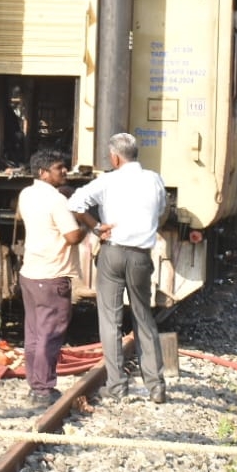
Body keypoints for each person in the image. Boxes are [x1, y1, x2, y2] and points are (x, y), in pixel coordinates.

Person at [68, 132, 169, 404]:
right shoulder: (154, 179)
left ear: (115, 157)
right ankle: (156, 385)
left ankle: (117, 386)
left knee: (110, 321)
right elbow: (161, 211)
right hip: (140, 256)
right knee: (143, 317)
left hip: (112, 253)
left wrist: (96, 226)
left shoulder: (108, 180)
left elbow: (75, 203)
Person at [17, 148, 84, 405]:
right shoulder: (56, 200)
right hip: (52, 273)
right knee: (50, 333)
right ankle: (44, 389)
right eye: (59, 168)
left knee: (33, 332)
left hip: (30, 272)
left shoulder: (26, 193)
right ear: (44, 173)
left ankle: (35, 385)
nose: (65, 171)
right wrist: (85, 225)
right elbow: (72, 237)